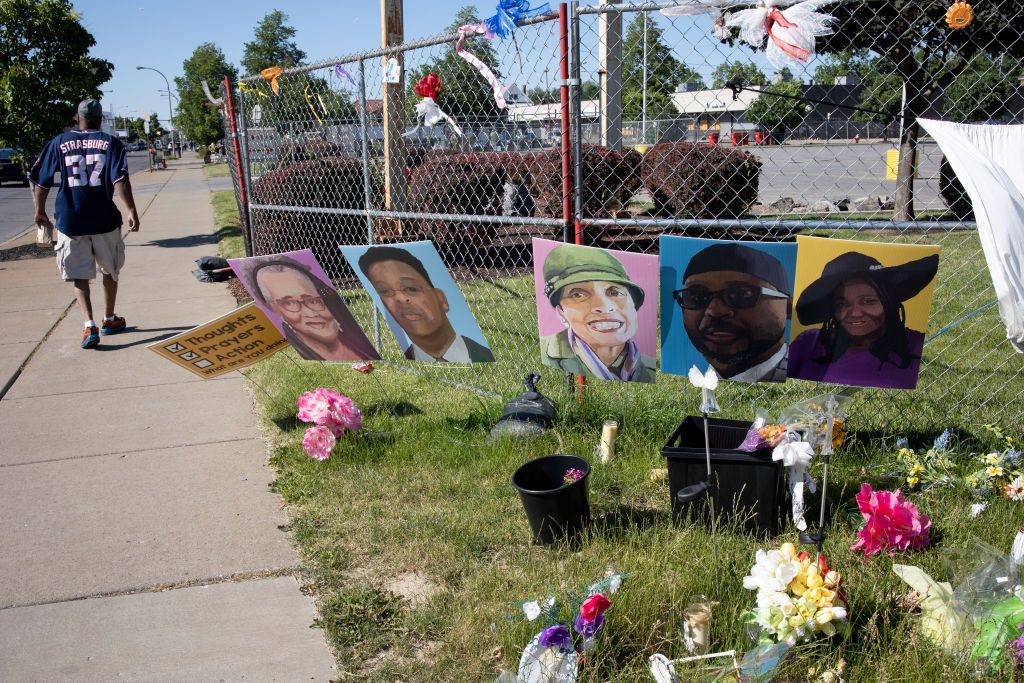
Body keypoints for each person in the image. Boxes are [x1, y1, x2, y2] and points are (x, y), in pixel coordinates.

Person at [30, 99, 140, 349]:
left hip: (70, 219)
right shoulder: (111, 143)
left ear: (77, 118)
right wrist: (131, 209)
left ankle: (89, 325)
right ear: (101, 119)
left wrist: (39, 211)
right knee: (110, 270)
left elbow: (42, 182)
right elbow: (120, 180)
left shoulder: (59, 142)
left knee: (79, 276)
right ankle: (109, 319)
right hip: (104, 219)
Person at [788, 251, 940, 389]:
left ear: (887, 301)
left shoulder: (914, 345)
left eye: (868, 301)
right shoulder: (808, 344)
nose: (855, 313)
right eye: (842, 304)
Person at [674, 243, 792, 382]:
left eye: (742, 294)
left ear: (787, 307)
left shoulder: (801, 375)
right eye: (696, 296)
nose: (715, 311)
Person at [539, 243, 655, 382]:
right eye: (578, 294)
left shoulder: (651, 366)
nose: (605, 307)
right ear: (561, 312)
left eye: (614, 292)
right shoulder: (547, 355)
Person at [356, 246, 494, 362]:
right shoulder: (406, 361)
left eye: (410, 288)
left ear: (441, 299)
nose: (400, 299)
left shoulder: (484, 356)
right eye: (385, 291)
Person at [249, 257, 379, 362]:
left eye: (313, 301)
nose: (310, 313)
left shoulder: (357, 342)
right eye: (289, 303)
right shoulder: (306, 354)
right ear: (275, 310)